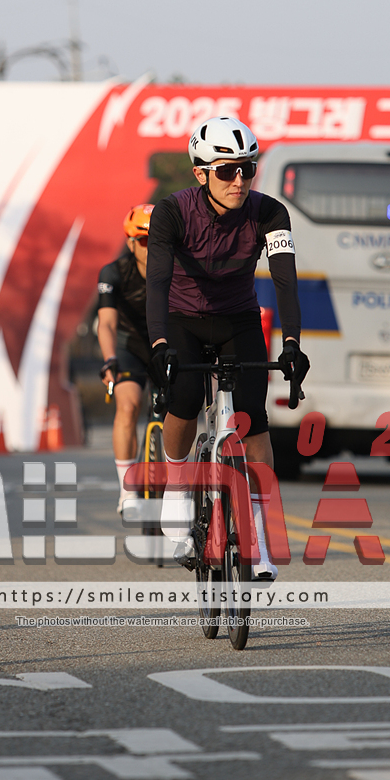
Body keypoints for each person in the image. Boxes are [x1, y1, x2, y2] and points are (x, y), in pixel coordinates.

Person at [145, 116, 307, 580]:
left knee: (254, 419)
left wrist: (292, 344)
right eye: (226, 170)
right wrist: (159, 343)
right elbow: (157, 281)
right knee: (184, 397)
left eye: (247, 169)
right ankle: (178, 488)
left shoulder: (270, 213)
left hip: (238, 319)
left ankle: (257, 535)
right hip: (182, 318)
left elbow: (285, 282)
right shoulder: (171, 212)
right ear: (201, 173)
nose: (239, 180)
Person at [96, 204, 156, 513]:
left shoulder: (177, 269)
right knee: (128, 405)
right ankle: (127, 490)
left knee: (178, 412)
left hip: (166, 346)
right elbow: (106, 323)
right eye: (143, 240)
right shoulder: (114, 272)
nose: (150, 246)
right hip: (128, 347)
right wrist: (109, 359)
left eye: (157, 239)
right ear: (131, 243)